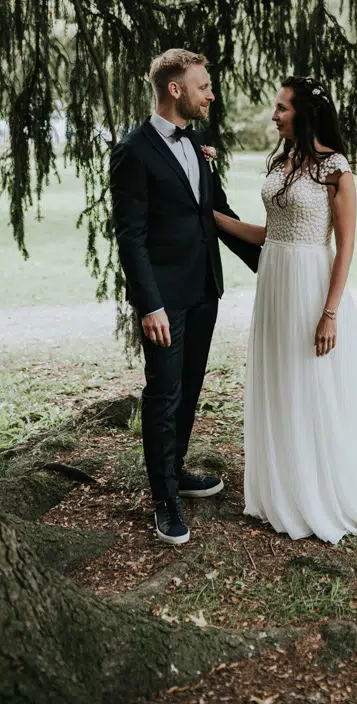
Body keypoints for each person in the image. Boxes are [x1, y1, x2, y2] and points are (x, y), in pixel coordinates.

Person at [214, 75, 357, 543]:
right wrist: (206, 210)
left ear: (304, 113)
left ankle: (323, 491)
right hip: (276, 281)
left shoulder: (336, 169)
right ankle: (284, 487)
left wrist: (330, 312)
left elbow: (345, 248)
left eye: (282, 108)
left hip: (311, 284)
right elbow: (268, 234)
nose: (274, 114)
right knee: (281, 378)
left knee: (313, 381)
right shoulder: (284, 162)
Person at [110, 49, 261, 546]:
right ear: (174, 89)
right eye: (203, 86)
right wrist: (149, 304)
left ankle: (175, 471)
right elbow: (130, 237)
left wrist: (273, 261)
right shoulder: (134, 151)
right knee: (164, 392)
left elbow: (211, 214)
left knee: (190, 386)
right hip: (165, 301)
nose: (210, 94)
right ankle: (163, 499)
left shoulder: (196, 143)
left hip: (203, 291)